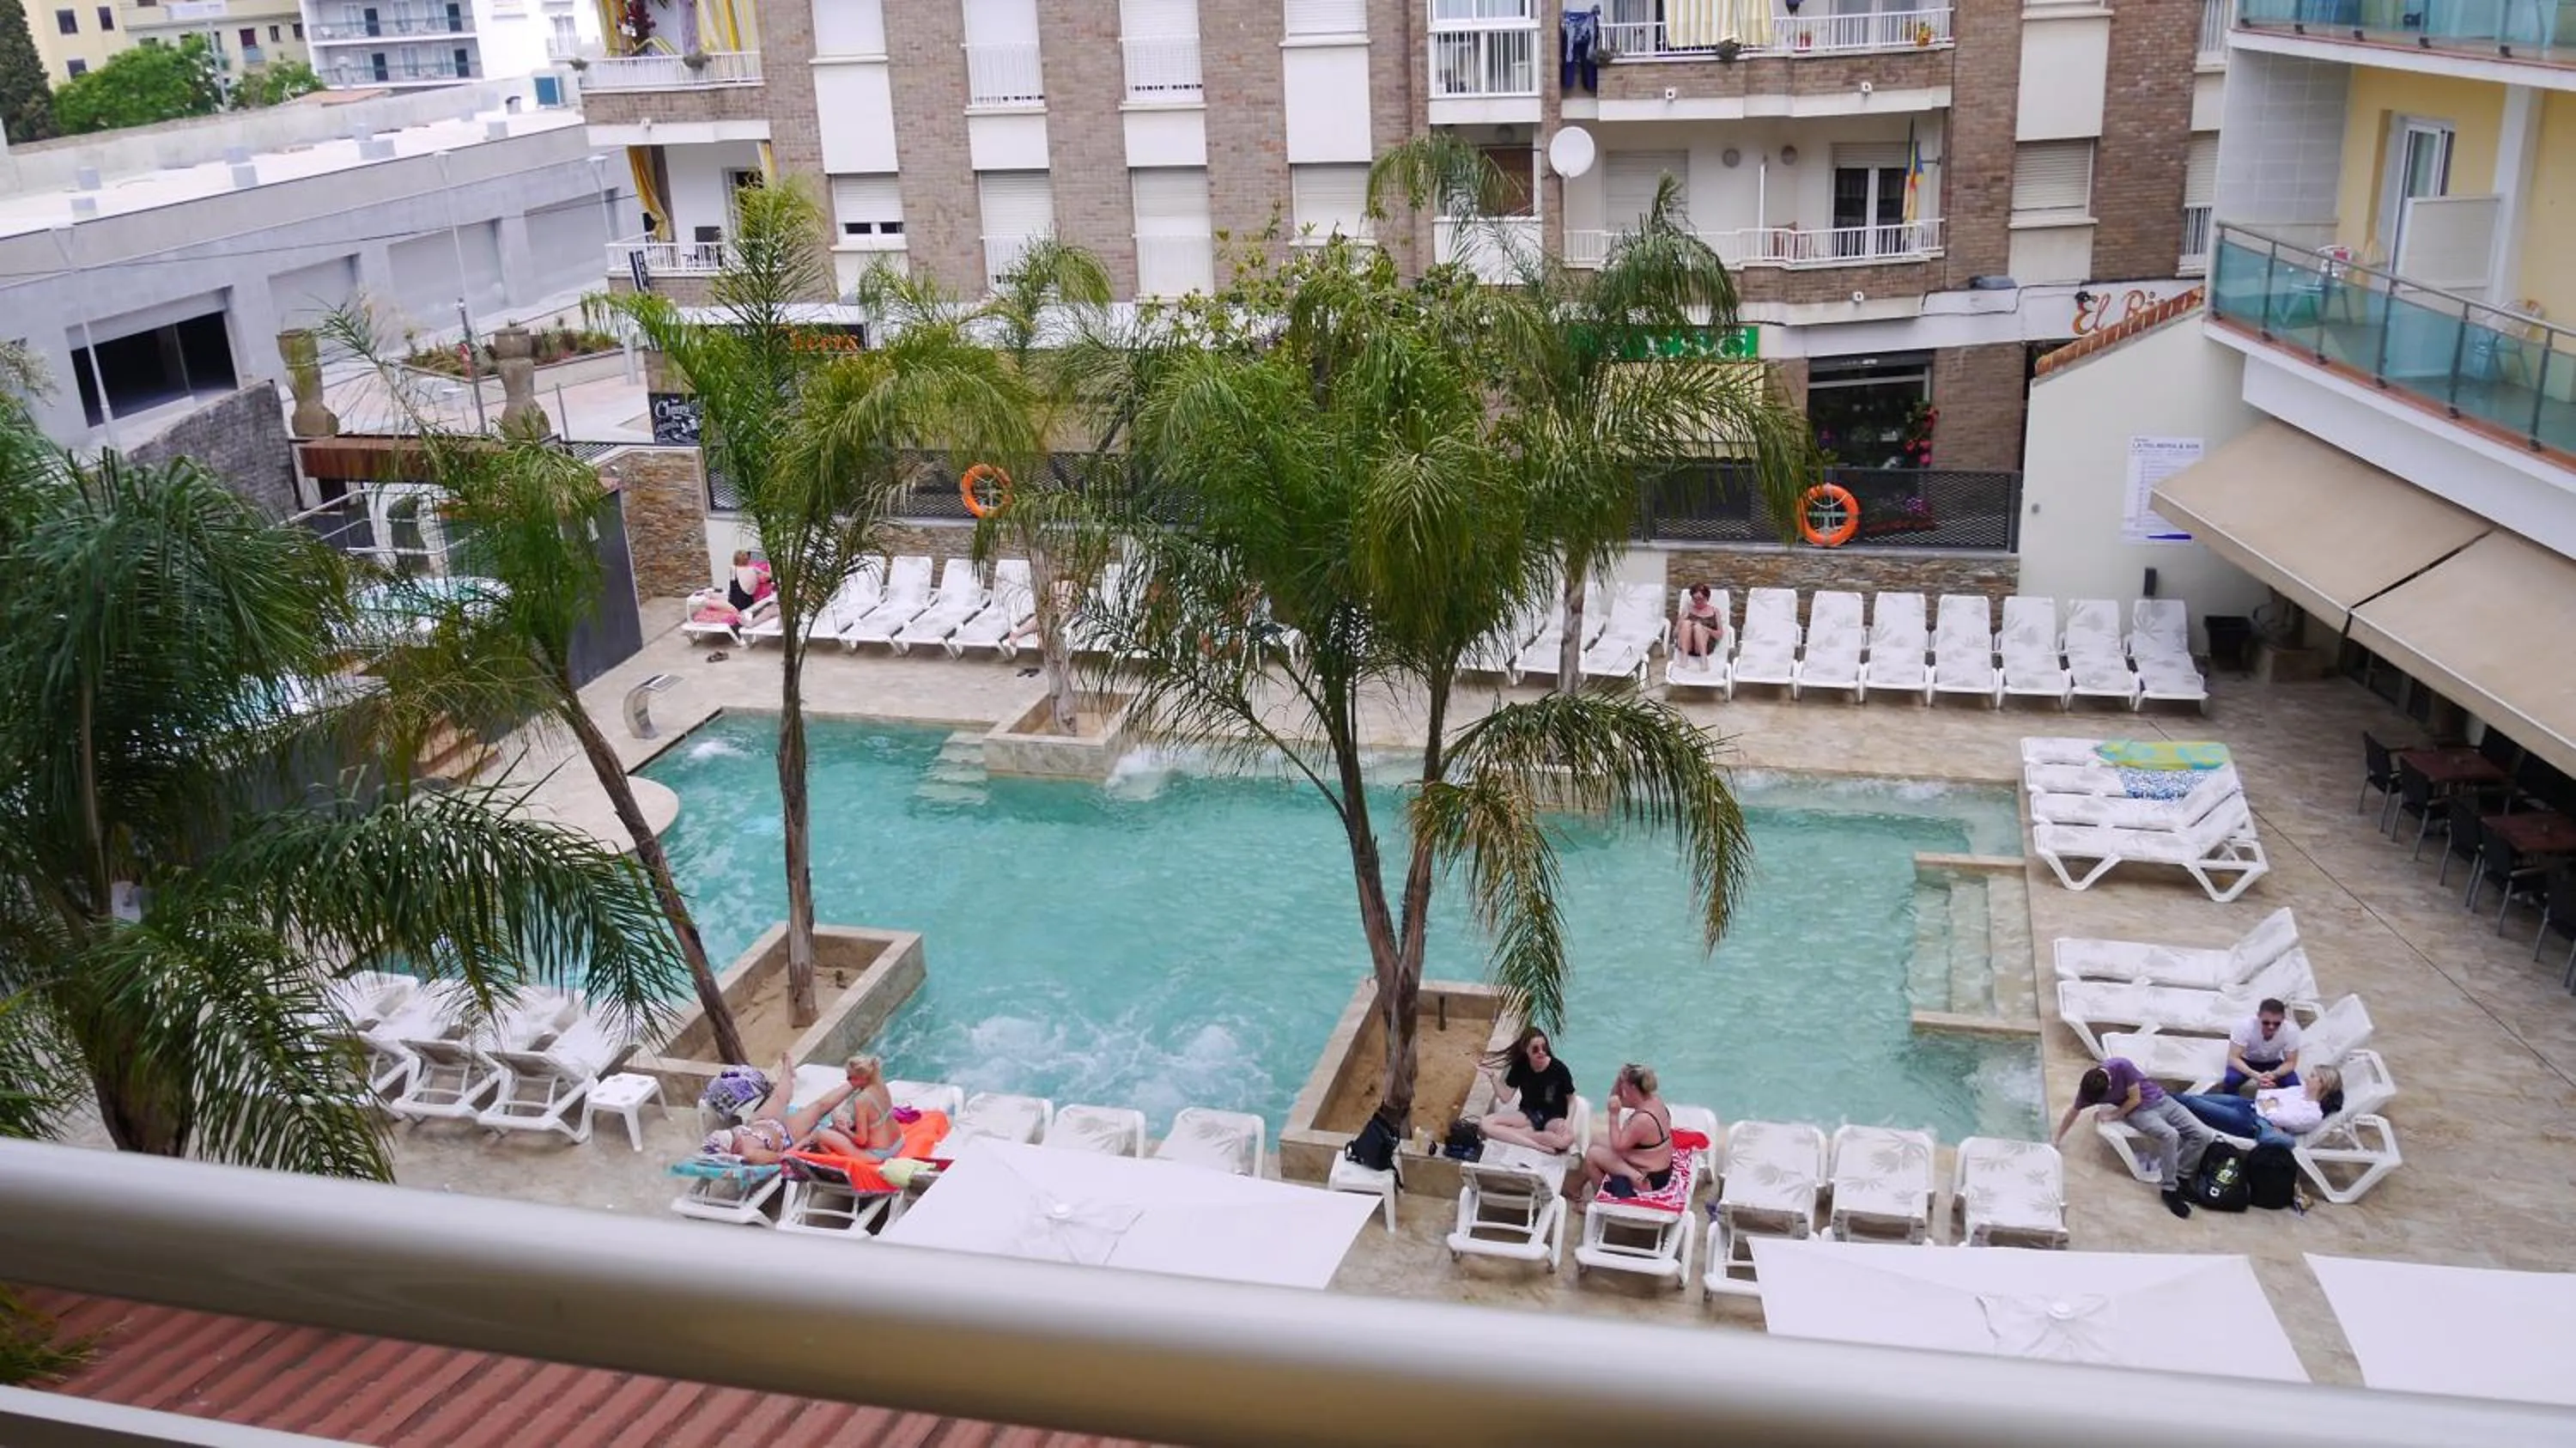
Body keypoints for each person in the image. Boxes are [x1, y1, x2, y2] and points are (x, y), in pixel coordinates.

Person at [2054, 1057, 2214, 1219]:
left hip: (2163, 1101)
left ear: (2109, 1085)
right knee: (2170, 1135)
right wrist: (2057, 1139)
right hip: (2139, 1112)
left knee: (2203, 1135)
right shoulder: (2089, 1090)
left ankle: (2182, 1176)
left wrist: (2113, 1115)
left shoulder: (2121, 1066)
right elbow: (2073, 1112)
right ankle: (2169, 1189)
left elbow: (2135, 1098)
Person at [701, 1054, 855, 1166]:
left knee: (779, 1097)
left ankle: (787, 1071)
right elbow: (783, 1157)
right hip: (786, 1135)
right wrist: (807, 1140)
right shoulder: (752, 1154)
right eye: (734, 1138)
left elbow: (737, 1135)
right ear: (733, 1151)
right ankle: (857, 1081)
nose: (736, 1134)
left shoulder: (737, 1137)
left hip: (759, 1122)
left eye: (734, 1134)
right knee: (819, 1107)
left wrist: (743, 1131)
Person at [2175, 1066, 2343, 1152]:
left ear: (2323, 1084)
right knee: (2194, 1100)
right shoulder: (2299, 1090)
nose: (2308, 1077)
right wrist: (2272, 1106)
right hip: (2246, 1105)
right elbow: (2263, 1095)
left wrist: (2271, 1105)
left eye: (2313, 1076)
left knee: (2192, 1104)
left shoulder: (2313, 1114)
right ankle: (2159, 1100)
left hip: (2248, 1123)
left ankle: (2156, 1098)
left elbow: (2274, 1117)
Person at [1574, 1063, 1673, 1202]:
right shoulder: (1653, 1100)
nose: (1622, 1090)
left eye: (1624, 1086)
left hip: (1650, 1179)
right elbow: (1615, 1099)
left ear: (1632, 1088)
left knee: (1592, 1155)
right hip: (1650, 1164)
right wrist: (1619, 1080)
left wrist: (1614, 1115)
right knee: (1597, 1139)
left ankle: (1601, 1202)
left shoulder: (1643, 1119)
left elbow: (1617, 1145)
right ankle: (1576, 1188)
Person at [1475, 1027, 1577, 1154]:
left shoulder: (1559, 1069)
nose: (1541, 1052)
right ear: (1526, 1050)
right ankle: (1536, 1145)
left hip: (1554, 1117)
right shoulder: (1520, 1066)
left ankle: (1521, 1135)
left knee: (1566, 1140)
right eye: (1535, 1049)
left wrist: (1568, 1122)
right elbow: (1506, 1097)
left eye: (1544, 1047)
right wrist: (1492, 1076)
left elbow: (1572, 1099)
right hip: (1528, 1115)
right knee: (1485, 1122)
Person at [2221, 999, 2302, 1096]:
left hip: (2273, 1062)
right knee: (2231, 1080)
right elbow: (2233, 1058)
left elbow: (2291, 1062)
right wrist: (2255, 1075)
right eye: (2266, 1023)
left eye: (2277, 1023)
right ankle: (2232, 1105)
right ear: (2258, 1016)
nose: (2271, 1027)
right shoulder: (2244, 1026)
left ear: (2283, 1019)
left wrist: (2274, 1074)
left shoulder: (2291, 1031)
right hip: (2246, 1060)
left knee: (2294, 1086)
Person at [1674, 584, 1725, 660]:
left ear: (1707, 597)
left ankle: (1704, 659)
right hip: (1687, 645)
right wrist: (1682, 623)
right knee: (1686, 623)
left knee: (1698, 627)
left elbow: (1719, 635)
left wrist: (1705, 629)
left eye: (1701, 599)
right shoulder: (1687, 610)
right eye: (1695, 599)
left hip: (1703, 646)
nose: (1698, 602)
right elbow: (1675, 633)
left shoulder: (1714, 611)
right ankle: (1684, 658)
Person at [726, 550, 779, 624]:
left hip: (734, 604)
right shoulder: (753, 569)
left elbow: (732, 586)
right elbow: (769, 576)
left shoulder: (732, 569)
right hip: (747, 603)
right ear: (748, 559)